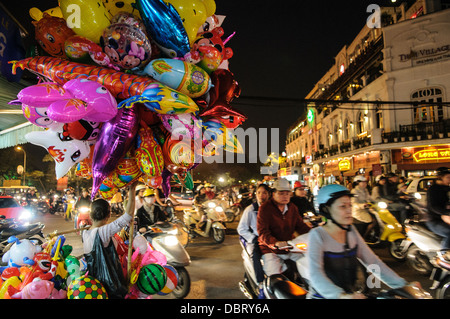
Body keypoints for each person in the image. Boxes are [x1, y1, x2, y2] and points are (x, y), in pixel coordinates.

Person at [307, 184, 409, 299]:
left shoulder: (351, 231)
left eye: (350, 205)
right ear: (326, 209)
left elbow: (373, 262)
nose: (349, 210)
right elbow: (316, 275)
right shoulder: (317, 235)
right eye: (342, 206)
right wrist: (340, 296)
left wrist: (403, 286)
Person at [82, 181, 138, 299]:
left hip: (92, 284)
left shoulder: (85, 233)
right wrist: (132, 190)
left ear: (90, 215)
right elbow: (128, 215)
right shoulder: (104, 232)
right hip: (107, 284)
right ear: (108, 215)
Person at [257, 178, 311, 277]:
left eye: (287, 193)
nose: (285, 196)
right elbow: (263, 232)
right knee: (274, 277)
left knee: (309, 266)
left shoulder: (292, 208)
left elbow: (301, 226)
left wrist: (315, 234)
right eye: (281, 193)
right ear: (273, 194)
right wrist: (275, 243)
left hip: (289, 246)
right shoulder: (265, 208)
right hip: (270, 249)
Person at [237, 184, 271, 298]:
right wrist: (253, 238)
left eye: (264, 192)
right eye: (259, 193)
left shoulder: (273, 208)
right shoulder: (251, 209)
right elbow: (241, 229)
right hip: (256, 240)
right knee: (256, 255)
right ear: (255, 194)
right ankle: (260, 284)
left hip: (271, 239)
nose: (262, 195)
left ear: (269, 194)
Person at [426, 167, 450, 249]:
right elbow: (433, 207)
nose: (449, 180)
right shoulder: (433, 190)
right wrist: (446, 212)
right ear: (440, 177)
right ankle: (444, 256)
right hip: (434, 220)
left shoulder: (446, 189)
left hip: (445, 218)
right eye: (447, 177)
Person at [350, 175, 375, 240]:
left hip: (367, 209)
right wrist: (363, 205)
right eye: (362, 182)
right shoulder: (354, 191)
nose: (364, 184)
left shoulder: (365, 190)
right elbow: (354, 203)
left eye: (365, 182)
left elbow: (370, 198)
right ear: (358, 183)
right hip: (358, 211)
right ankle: (364, 237)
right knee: (372, 221)